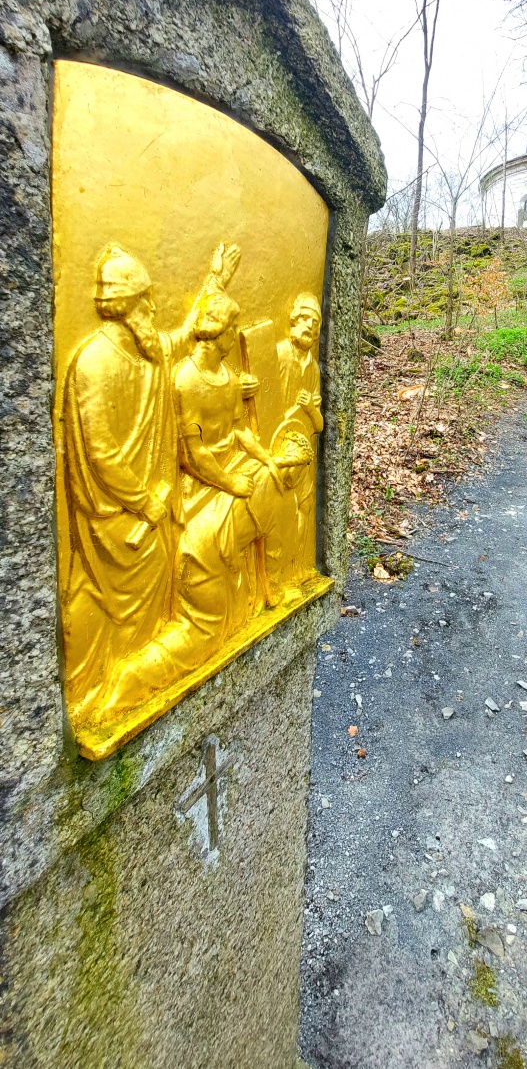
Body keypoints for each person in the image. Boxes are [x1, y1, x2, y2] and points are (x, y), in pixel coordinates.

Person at [104, 289, 311, 712]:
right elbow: (192, 455)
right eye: (233, 330)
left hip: (235, 470)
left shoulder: (229, 377)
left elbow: (240, 432)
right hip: (200, 488)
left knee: (276, 483)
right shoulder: (185, 380)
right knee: (207, 626)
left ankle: (275, 583)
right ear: (217, 334)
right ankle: (135, 678)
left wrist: (266, 459)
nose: (237, 335)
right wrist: (231, 482)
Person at [62, 241, 240, 722]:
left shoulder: (145, 351)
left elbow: (182, 337)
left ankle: (119, 688)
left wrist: (215, 282)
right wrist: (144, 502)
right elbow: (101, 456)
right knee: (93, 601)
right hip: (117, 521)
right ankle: (85, 694)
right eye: (145, 301)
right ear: (122, 307)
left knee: (142, 616)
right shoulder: (95, 363)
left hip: (150, 512)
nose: (154, 308)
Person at [276, 293, 323, 580]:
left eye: (315, 322)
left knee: (303, 507)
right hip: (278, 448)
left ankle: (296, 568)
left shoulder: (313, 369)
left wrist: (308, 408)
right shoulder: (279, 354)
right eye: (304, 318)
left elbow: (318, 424)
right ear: (293, 321)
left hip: (303, 451)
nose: (309, 326)